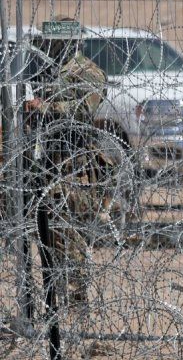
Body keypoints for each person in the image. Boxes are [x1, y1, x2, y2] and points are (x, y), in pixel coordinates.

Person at [28, 19, 107, 312]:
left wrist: (44, 108)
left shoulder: (88, 72)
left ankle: (76, 299)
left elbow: (83, 111)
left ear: (68, 41)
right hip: (48, 160)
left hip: (75, 163)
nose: (47, 46)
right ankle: (56, 298)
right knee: (50, 232)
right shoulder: (49, 69)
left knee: (67, 231)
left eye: (52, 41)